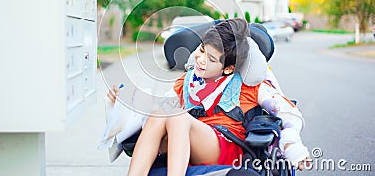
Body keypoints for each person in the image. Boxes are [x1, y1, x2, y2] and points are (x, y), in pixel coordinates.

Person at [108, 18, 310, 176]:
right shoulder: (186, 82)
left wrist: (291, 144)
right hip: (187, 143)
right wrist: (125, 102)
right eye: (201, 50)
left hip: (227, 146)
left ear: (229, 68)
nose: (200, 60)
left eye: (211, 59)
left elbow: (290, 114)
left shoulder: (251, 87)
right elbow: (154, 115)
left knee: (176, 115)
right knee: (160, 113)